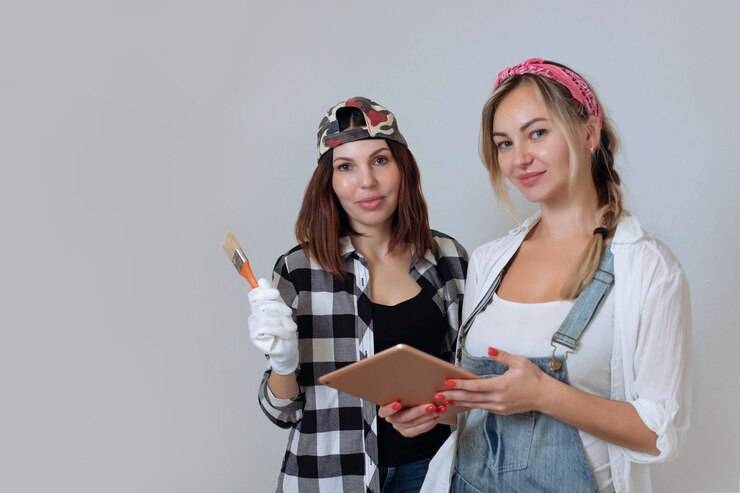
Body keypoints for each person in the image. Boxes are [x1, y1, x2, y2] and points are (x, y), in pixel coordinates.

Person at [381, 58, 691, 493]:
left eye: (538, 133)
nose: (520, 158)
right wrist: (433, 412)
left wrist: (545, 395)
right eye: (504, 143)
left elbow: (660, 433)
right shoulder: (490, 261)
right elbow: (483, 413)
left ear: (589, 133)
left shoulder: (646, 267)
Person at [248, 97, 468, 492]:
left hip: (433, 473)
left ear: (403, 168)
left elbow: (475, 384)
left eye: (380, 160)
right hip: (330, 477)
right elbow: (282, 412)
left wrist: (443, 409)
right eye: (346, 167)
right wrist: (282, 364)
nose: (367, 181)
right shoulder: (298, 270)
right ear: (328, 182)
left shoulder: (447, 258)